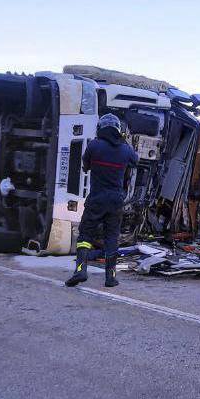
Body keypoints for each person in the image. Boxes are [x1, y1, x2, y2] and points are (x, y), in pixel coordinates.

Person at [66, 113, 138, 288]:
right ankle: (111, 277)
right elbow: (135, 161)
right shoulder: (125, 149)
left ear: (100, 128)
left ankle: (81, 270)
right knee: (111, 237)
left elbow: (85, 166)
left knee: (85, 234)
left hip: (97, 198)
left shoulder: (94, 146)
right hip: (116, 201)